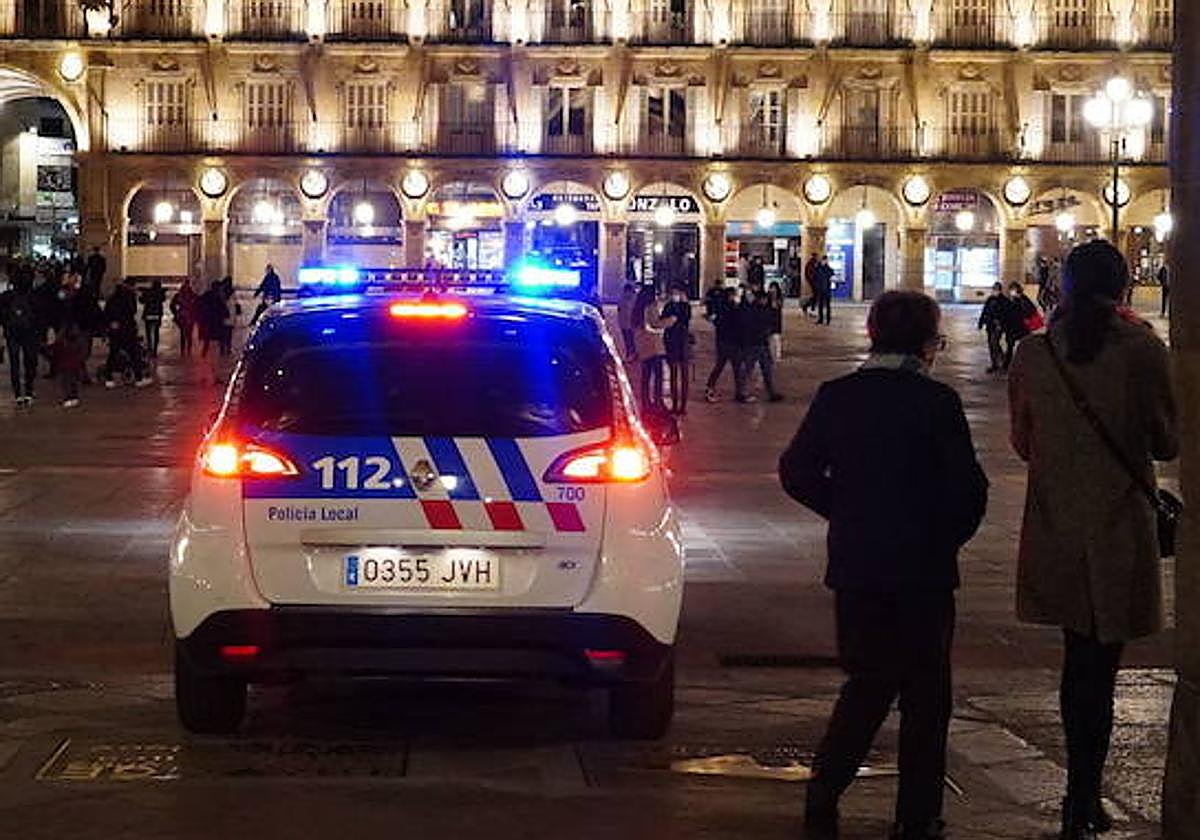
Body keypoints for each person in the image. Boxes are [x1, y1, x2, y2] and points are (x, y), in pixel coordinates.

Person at [780, 290, 988, 840]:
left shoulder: (838, 396)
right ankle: (916, 816)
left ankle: (826, 786)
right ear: (927, 343)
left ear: (871, 333)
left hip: (858, 566)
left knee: (866, 682)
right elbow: (969, 491)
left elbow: (797, 471)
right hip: (923, 571)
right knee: (926, 696)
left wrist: (849, 512)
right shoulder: (936, 402)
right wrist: (939, 535)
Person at [1008, 241, 1176, 840]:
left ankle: (1078, 793)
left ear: (1065, 287)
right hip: (1118, 526)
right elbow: (1167, 441)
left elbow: (1022, 442)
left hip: (1057, 522)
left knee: (1075, 660)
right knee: (1102, 664)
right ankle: (1085, 793)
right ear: (1125, 284)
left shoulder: (1033, 353)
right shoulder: (1142, 350)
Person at [0, 272, 41, 405]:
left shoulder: (6, 296)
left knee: (14, 363)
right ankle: (29, 392)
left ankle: (17, 394)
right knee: (30, 362)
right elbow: (41, 316)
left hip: (12, 333)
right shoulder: (34, 296)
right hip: (30, 333)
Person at [631, 285, 674, 412]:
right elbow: (655, 324)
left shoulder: (637, 307)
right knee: (658, 375)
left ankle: (645, 402)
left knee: (646, 375)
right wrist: (670, 320)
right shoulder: (651, 307)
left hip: (643, 346)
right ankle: (658, 402)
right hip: (653, 346)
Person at [103, 278, 151, 388]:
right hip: (127, 329)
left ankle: (109, 379)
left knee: (113, 353)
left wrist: (110, 325)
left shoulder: (112, 297)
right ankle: (139, 378)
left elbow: (107, 313)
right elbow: (132, 311)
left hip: (115, 330)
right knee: (134, 354)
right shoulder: (129, 296)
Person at [738, 289, 783, 403]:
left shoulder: (759, 309)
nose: (765, 301)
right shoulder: (754, 310)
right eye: (764, 299)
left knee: (766, 369)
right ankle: (742, 393)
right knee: (749, 369)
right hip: (754, 344)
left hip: (761, 344)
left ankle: (771, 392)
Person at [704, 286, 743, 403]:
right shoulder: (732, 308)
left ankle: (710, 387)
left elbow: (716, 322)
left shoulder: (721, 308)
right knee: (732, 367)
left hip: (724, 341)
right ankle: (738, 393)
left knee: (723, 366)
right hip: (730, 341)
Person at [660, 284, 691, 416]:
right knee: (673, 374)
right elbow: (663, 319)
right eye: (673, 293)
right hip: (671, 342)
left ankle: (683, 405)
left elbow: (685, 319)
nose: (675, 295)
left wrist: (682, 305)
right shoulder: (668, 306)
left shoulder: (686, 307)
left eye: (677, 292)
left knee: (684, 375)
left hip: (682, 343)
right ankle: (674, 404)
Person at [52, 311, 88, 408]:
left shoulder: (61, 338)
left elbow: (55, 349)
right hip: (74, 362)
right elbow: (83, 351)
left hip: (65, 363)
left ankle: (68, 398)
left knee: (66, 381)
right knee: (73, 380)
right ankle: (74, 397)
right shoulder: (79, 338)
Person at [977, 282, 1012, 373]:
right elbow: (984, 311)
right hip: (989, 325)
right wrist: (981, 322)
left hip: (998, 326)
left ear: (1000, 290)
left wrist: (1002, 324)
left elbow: (1007, 315)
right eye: (994, 289)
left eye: (997, 289)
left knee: (994, 343)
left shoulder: (1004, 301)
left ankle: (1002, 360)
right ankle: (995, 364)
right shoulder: (990, 299)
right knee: (991, 345)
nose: (995, 291)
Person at [170, 280, 198, 357]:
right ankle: (187, 350)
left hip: (184, 316)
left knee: (185, 334)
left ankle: (185, 350)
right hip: (187, 316)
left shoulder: (180, 295)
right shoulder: (191, 295)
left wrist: (175, 313)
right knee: (187, 334)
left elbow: (172, 305)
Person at [140, 278, 166, 358]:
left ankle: (150, 348)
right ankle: (154, 350)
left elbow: (141, 300)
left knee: (148, 332)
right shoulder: (160, 293)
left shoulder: (148, 292)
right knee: (156, 332)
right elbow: (163, 299)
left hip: (148, 314)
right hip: (157, 314)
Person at [617, 282, 638, 360]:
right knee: (629, 340)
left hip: (627, 323)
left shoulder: (624, 298)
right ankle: (631, 353)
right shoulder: (633, 298)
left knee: (629, 340)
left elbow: (619, 310)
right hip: (626, 323)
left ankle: (631, 353)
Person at [766, 282, 785, 361]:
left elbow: (778, 306)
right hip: (768, 320)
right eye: (772, 288)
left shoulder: (779, 298)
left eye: (774, 288)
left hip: (776, 320)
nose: (773, 290)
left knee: (777, 338)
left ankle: (778, 355)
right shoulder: (767, 298)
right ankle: (769, 354)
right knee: (769, 338)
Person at [814, 257, 835, 325]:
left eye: (825, 260)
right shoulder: (818, 268)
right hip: (820, 290)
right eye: (823, 260)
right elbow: (815, 278)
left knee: (828, 306)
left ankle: (828, 320)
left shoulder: (829, 269)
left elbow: (832, 276)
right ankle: (820, 319)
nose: (824, 262)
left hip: (827, 290)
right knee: (820, 305)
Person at [802, 252, 820, 317]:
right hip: (814, 282)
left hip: (814, 282)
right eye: (817, 256)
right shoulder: (812, 263)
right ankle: (809, 307)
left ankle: (810, 307)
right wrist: (812, 280)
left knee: (815, 296)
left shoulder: (812, 263)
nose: (818, 258)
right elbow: (811, 273)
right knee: (815, 295)